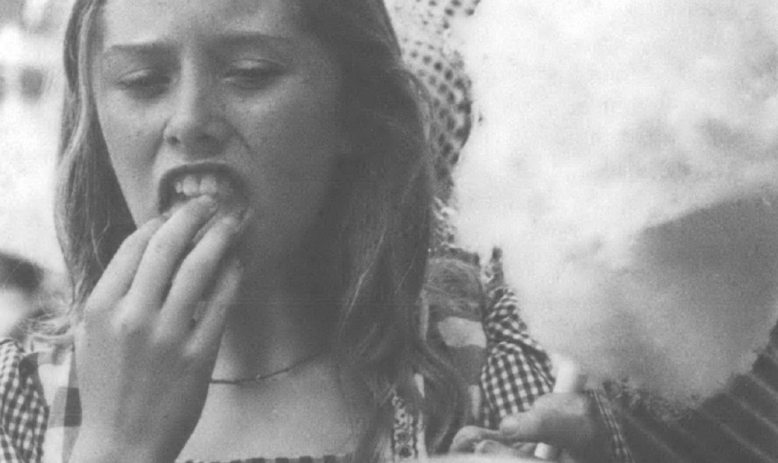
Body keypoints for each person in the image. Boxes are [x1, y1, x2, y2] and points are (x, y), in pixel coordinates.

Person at [0, 1, 623, 462]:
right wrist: (116, 448)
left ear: (351, 112)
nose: (190, 122)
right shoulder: (22, 399)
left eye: (249, 72)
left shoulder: (487, 360)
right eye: (142, 81)